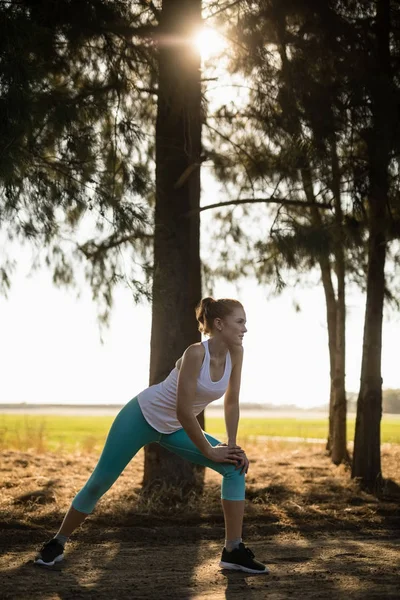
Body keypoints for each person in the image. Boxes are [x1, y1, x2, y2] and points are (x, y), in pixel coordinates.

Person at [34, 297, 269, 574]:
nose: (245, 329)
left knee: (234, 466)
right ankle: (57, 542)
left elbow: (232, 401)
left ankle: (233, 550)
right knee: (99, 483)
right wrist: (208, 450)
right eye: (240, 322)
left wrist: (230, 444)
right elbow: (184, 411)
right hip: (141, 416)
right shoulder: (196, 354)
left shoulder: (236, 353)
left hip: (174, 428)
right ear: (219, 324)